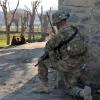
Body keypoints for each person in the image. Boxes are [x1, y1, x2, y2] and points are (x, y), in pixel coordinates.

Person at [33, 10, 92, 100]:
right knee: (70, 88)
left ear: (57, 23)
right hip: (79, 64)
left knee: (42, 61)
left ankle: (44, 86)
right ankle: (83, 93)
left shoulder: (61, 34)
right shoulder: (74, 29)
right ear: (65, 20)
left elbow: (47, 47)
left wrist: (53, 52)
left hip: (66, 65)